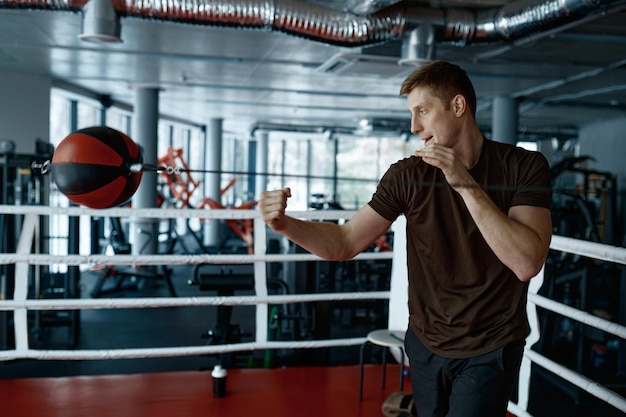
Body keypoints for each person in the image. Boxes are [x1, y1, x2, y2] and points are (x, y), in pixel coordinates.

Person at [258, 60, 552, 417]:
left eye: (423, 111)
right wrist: (285, 225)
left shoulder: (524, 166)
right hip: (427, 344)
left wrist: (463, 184)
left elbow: (526, 263)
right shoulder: (407, 175)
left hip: (490, 346)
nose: (414, 127)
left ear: (458, 106)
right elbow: (345, 240)